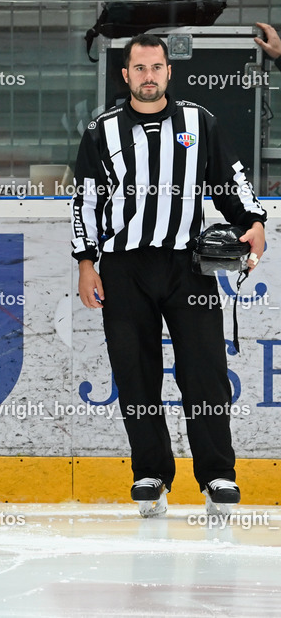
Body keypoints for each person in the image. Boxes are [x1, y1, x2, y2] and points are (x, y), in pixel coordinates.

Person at [72, 34, 266, 518]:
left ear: (168, 72)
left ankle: (217, 474)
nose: (148, 76)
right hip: (124, 268)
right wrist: (85, 262)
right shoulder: (102, 130)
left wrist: (254, 220)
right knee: (135, 375)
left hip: (187, 266)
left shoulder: (199, 121)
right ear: (126, 75)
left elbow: (229, 180)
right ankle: (151, 473)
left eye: (156, 67)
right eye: (139, 69)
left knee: (204, 372)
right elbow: (86, 202)